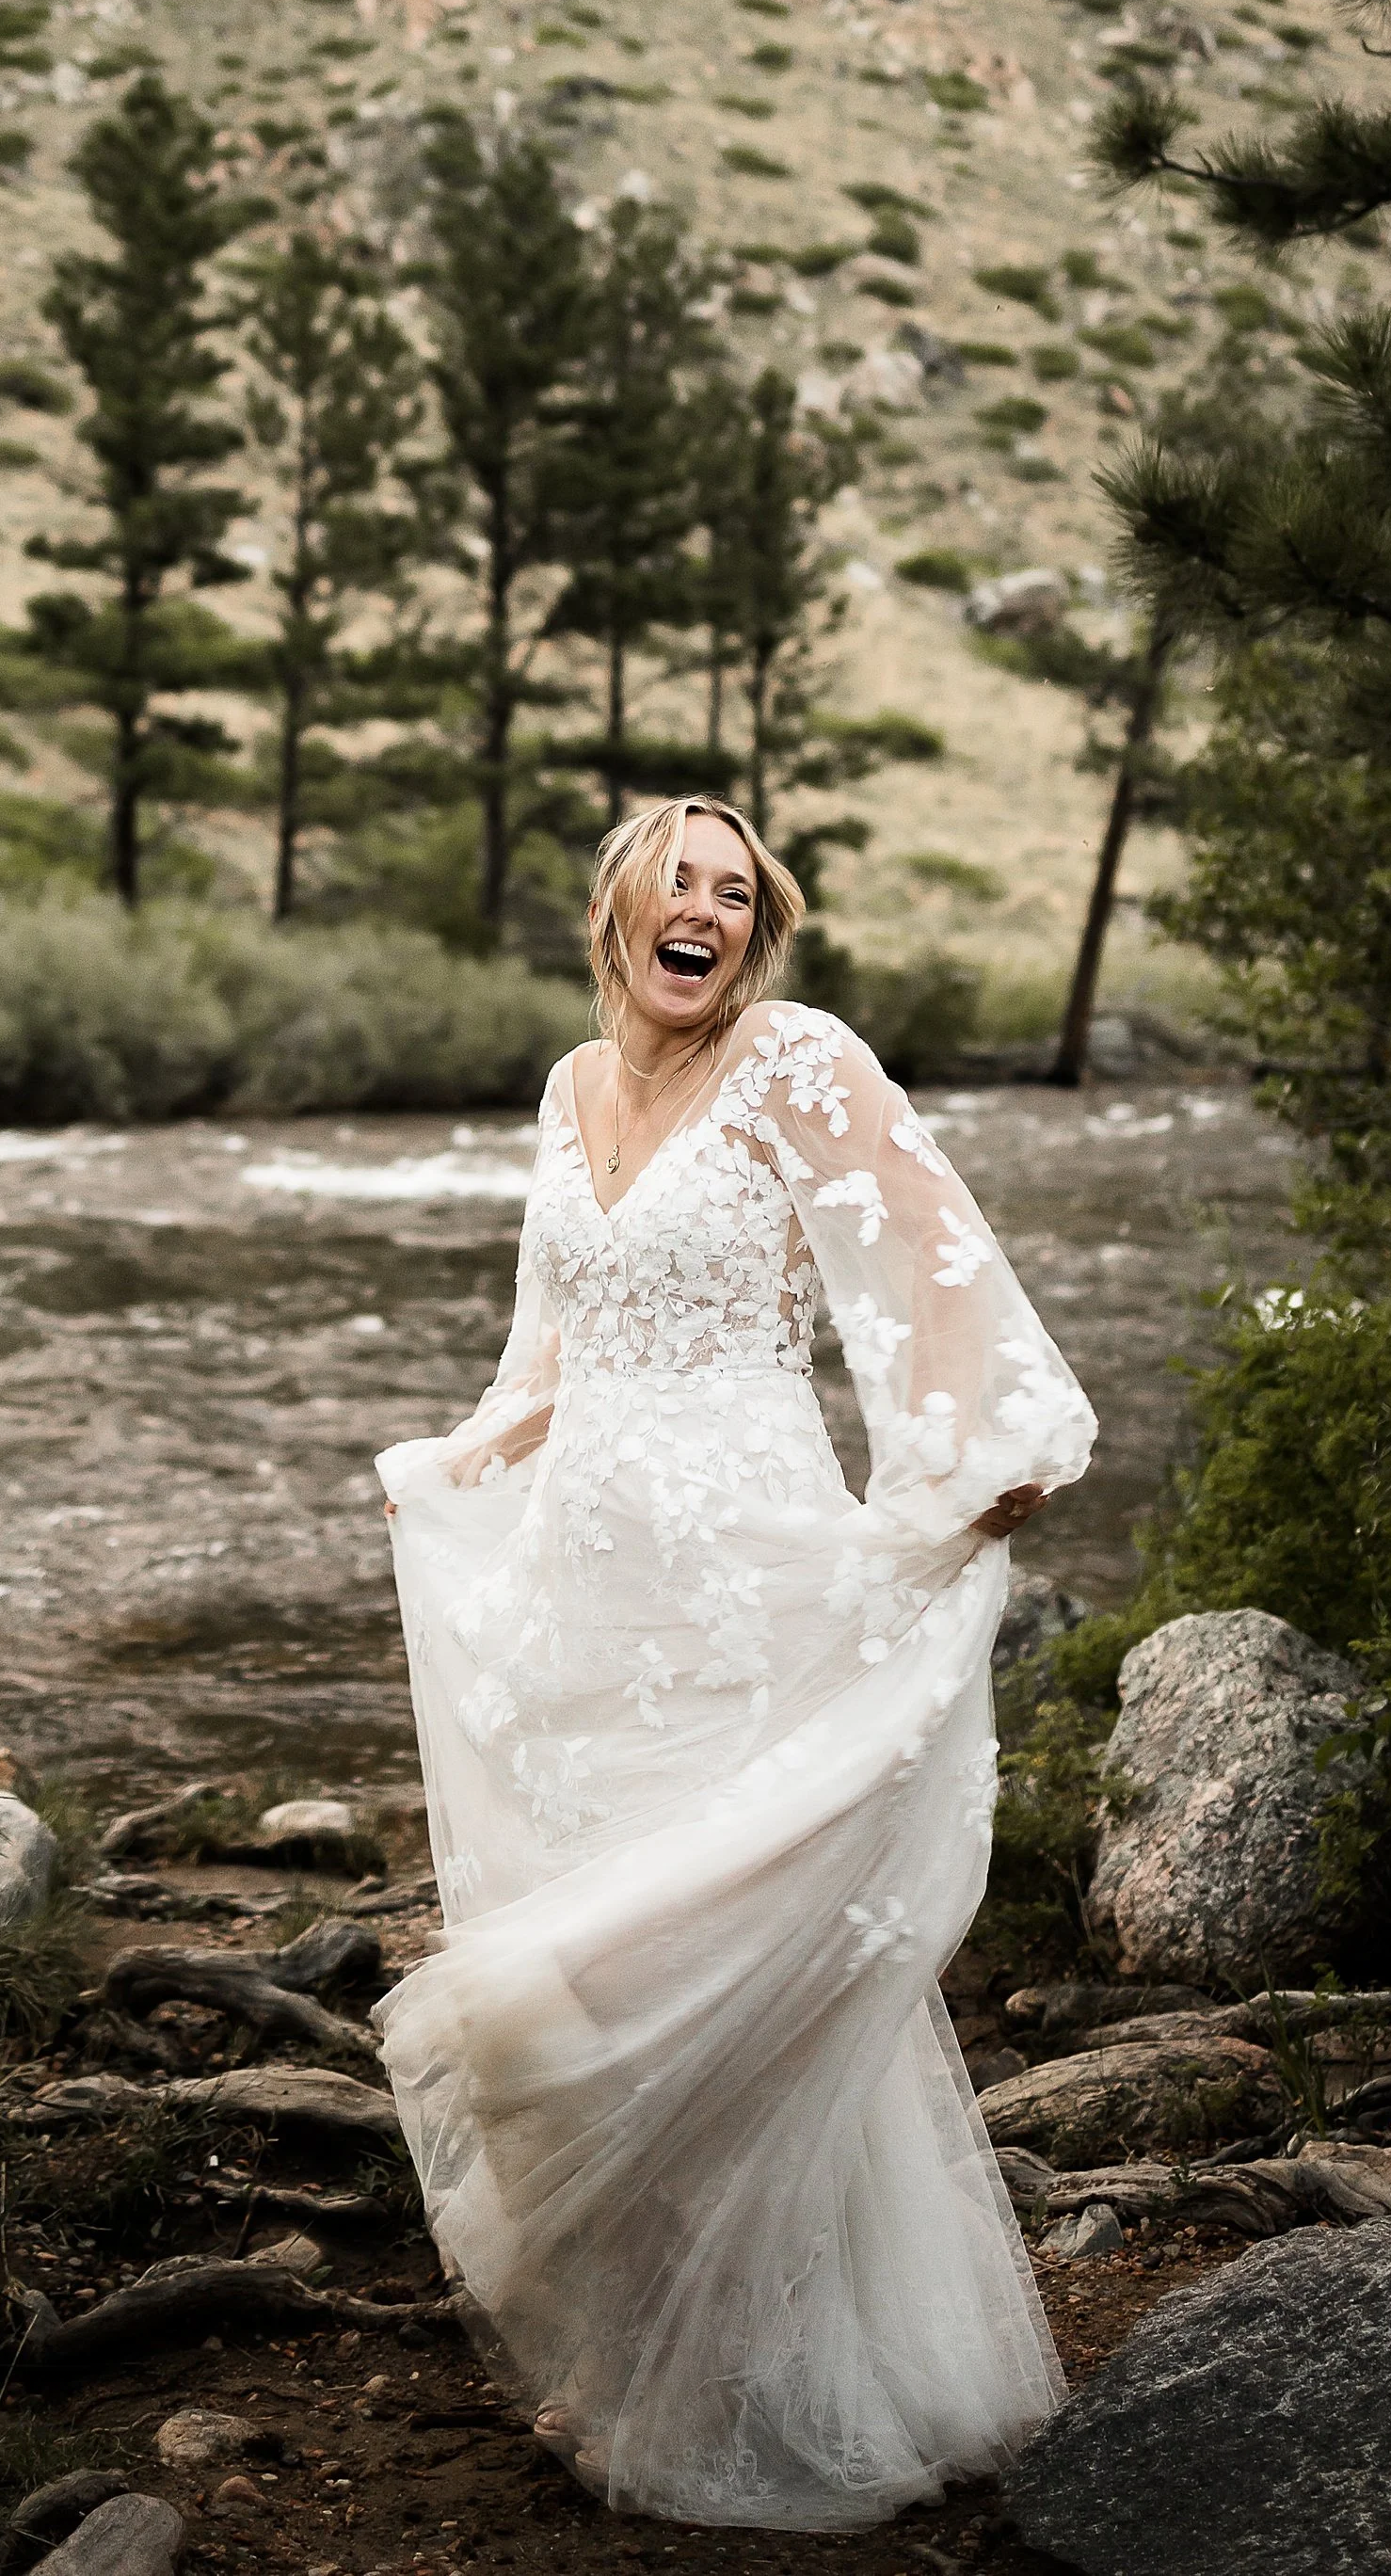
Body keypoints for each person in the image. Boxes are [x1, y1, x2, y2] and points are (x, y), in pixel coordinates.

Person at [376, 795, 1097, 2529]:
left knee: (735, 1945)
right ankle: (638, 2346)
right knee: (598, 1950)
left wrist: (965, 1462)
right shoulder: (565, 1089)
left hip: (748, 1567)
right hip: (584, 1587)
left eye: (733, 887)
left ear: (754, 928)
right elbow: (550, 1349)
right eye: (672, 878)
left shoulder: (794, 1058)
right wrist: (452, 1465)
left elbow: (928, 1256)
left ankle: (799, 2364)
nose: (702, 905)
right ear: (616, 910)